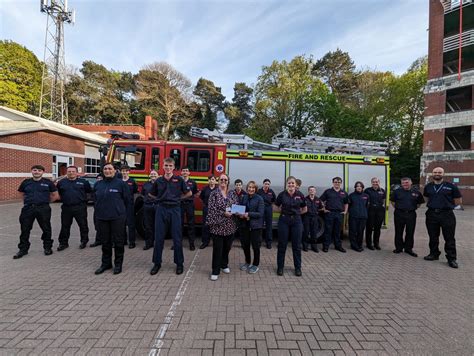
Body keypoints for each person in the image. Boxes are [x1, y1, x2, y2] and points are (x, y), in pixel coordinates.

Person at [149, 158, 191, 276]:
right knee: (159, 238)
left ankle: (179, 264)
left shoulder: (179, 180)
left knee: (177, 238)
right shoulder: (159, 181)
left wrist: (178, 199)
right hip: (161, 209)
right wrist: (158, 200)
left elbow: (189, 193)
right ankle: (157, 263)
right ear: (163, 166)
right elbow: (151, 194)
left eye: (170, 166)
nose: (168, 168)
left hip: (175, 210)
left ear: (174, 167)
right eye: (166, 165)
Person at [13, 165, 59, 259]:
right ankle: (23, 249)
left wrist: (45, 202)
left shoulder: (48, 182)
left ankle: (47, 248)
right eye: (34, 170)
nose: (36, 172)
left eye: (39, 170)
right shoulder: (26, 182)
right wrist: (27, 202)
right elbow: (21, 194)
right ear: (31, 171)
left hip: (43, 209)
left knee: (46, 228)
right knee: (25, 229)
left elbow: (55, 195)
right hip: (28, 209)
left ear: (42, 172)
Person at [93, 163, 131, 275]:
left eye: (110, 168)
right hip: (102, 217)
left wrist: (120, 212)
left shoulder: (121, 184)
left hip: (117, 218)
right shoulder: (98, 184)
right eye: (105, 169)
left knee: (118, 242)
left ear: (115, 170)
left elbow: (127, 200)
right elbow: (95, 199)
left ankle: (118, 264)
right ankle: (106, 264)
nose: (107, 170)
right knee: (105, 242)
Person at [423, 167, 462, 269]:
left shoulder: (451, 186)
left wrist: (448, 206)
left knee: (449, 237)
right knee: (433, 236)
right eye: (435, 172)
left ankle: (451, 258)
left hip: (447, 214)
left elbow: (458, 200)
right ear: (432, 173)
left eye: (439, 172)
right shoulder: (428, 186)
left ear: (443, 174)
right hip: (432, 214)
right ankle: (434, 254)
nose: (437, 174)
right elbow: (426, 198)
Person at [273, 176, 307, 276]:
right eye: (289, 183)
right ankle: (280, 267)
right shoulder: (282, 195)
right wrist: (283, 212)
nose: (291, 185)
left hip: (296, 222)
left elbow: (305, 209)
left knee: (296, 245)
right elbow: (275, 207)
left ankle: (297, 268)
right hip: (284, 220)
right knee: (282, 245)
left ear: (296, 184)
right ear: (286, 184)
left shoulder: (300, 195)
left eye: (293, 183)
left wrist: (296, 214)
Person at [207, 173, 238, 281]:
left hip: (230, 225)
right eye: (221, 179)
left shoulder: (232, 193)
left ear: (228, 181)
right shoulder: (214, 194)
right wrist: (223, 213)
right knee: (217, 249)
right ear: (218, 181)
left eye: (225, 180)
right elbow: (211, 209)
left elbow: (236, 205)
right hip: (218, 226)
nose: (223, 181)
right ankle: (215, 270)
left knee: (227, 248)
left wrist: (236, 212)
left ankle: (224, 265)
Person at [56, 166, 92, 251]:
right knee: (65, 226)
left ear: (76, 172)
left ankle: (84, 241)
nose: (71, 173)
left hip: (80, 207)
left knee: (83, 225)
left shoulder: (83, 182)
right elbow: (59, 193)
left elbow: (89, 192)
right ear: (67, 172)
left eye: (73, 171)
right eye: (69, 171)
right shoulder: (61, 182)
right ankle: (63, 243)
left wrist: (84, 201)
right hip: (66, 208)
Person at [390, 177, 425, 257]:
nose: (405, 184)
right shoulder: (396, 192)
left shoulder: (416, 192)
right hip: (399, 214)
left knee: (410, 232)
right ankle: (398, 248)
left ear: (411, 182)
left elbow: (419, 203)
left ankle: (408, 249)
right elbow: (392, 202)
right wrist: (400, 208)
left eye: (406, 182)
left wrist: (411, 208)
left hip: (411, 214)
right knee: (398, 231)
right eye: (403, 183)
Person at [238, 181, 264, 274]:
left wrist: (248, 214)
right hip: (245, 225)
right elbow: (240, 208)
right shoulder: (244, 197)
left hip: (255, 226)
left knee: (255, 246)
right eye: (249, 187)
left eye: (253, 187)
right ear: (247, 188)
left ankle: (255, 264)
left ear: (255, 189)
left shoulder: (259, 199)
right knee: (245, 245)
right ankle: (247, 262)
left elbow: (260, 213)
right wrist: (239, 214)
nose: (251, 189)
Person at [320, 177, 348, 253]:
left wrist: (345, 211)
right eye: (335, 182)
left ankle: (338, 246)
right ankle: (325, 246)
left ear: (340, 183)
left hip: (339, 214)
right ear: (333, 183)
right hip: (330, 213)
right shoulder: (328, 191)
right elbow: (321, 200)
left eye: (339, 182)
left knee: (338, 231)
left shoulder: (344, 193)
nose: (337, 183)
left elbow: (346, 203)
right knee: (328, 230)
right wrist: (324, 209)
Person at [364, 177, 386, 250]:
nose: (375, 183)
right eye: (373, 182)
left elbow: (383, 200)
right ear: (371, 183)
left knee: (377, 228)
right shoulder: (367, 190)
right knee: (369, 228)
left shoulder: (382, 190)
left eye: (376, 182)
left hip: (379, 211)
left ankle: (376, 243)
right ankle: (369, 244)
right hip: (370, 211)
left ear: (379, 182)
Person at [180, 167, 199, 251]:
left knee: (191, 224)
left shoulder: (193, 182)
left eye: (186, 171)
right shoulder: (178, 182)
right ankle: (177, 243)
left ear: (189, 173)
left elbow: (195, 193)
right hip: (180, 205)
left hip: (189, 205)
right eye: (183, 171)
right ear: (181, 172)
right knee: (178, 224)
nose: (185, 172)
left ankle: (191, 244)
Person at [348, 182, 369, 252]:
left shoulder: (366, 196)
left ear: (362, 187)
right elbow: (349, 206)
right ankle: (354, 245)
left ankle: (359, 245)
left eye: (360, 186)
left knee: (360, 232)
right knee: (353, 231)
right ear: (355, 187)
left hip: (363, 217)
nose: (359, 187)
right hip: (353, 216)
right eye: (357, 186)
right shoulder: (351, 196)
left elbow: (367, 206)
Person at [121, 166, 138, 248]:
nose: (124, 172)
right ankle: (123, 241)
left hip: (129, 205)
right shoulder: (118, 181)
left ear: (129, 172)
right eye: (123, 171)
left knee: (131, 224)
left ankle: (132, 242)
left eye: (126, 171)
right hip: (120, 205)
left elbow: (135, 190)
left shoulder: (132, 181)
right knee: (121, 224)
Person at [141, 170, 158, 250]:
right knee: (148, 226)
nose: (153, 175)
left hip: (157, 206)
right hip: (147, 206)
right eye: (151, 174)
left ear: (158, 176)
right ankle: (148, 243)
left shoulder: (160, 184)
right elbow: (143, 194)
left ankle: (157, 243)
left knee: (157, 226)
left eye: (155, 174)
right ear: (149, 176)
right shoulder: (145, 184)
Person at [302, 186, 323, 253]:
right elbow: (301, 207)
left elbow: (321, 208)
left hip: (315, 217)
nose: (312, 191)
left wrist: (317, 211)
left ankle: (314, 247)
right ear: (308, 191)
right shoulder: (305, 199)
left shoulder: (318, 200)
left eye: (313, 190)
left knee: (314, 232)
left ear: (315, 191)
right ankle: (305, 246)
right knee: (306, 232)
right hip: (306, 217)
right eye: (310, 190)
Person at [198, 175, 217, 249]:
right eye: (210, 179)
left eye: (213, 179)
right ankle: (205, 242)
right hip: (206, 208)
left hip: (215, 210)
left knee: (215, 226)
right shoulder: (205, 189)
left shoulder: (218, 189)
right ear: (208, 181)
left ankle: (215, 242)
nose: (211, 181)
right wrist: (205, 204)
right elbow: (201, 197)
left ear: (215, 180)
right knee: (205, 226)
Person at [257, 179, 276, 249]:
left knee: (269, 226)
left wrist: (271, 206)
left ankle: (269, 242)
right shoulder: (259, 191)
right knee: (260, 226)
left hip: (268, 209)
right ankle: (258, 242)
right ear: (263, 184)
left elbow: (274, 200)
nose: (267, 185)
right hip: (261, 209)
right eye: (265, 183)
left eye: (268, 184)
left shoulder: (271, 192)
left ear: (269, 185)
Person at [90, 174, 103, 247]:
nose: (99, 179)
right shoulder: (96, 185)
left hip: (106, 208)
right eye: (98, 178)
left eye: (101, 178)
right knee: (97, 224)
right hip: (97, 208)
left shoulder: (106, 185)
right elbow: (93, 194)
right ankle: (98, 240)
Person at [233, 179, 247, 244]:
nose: (238, 186)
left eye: (239, 185)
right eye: (237, 185)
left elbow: (246, 204)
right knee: (233, 229)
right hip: (234, 214)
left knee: (242, 230)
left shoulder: (245, 194)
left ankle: (242, 244)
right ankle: (229, 242)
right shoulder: (232, 193)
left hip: (241, 215)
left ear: (241, 186)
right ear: (235, 186)